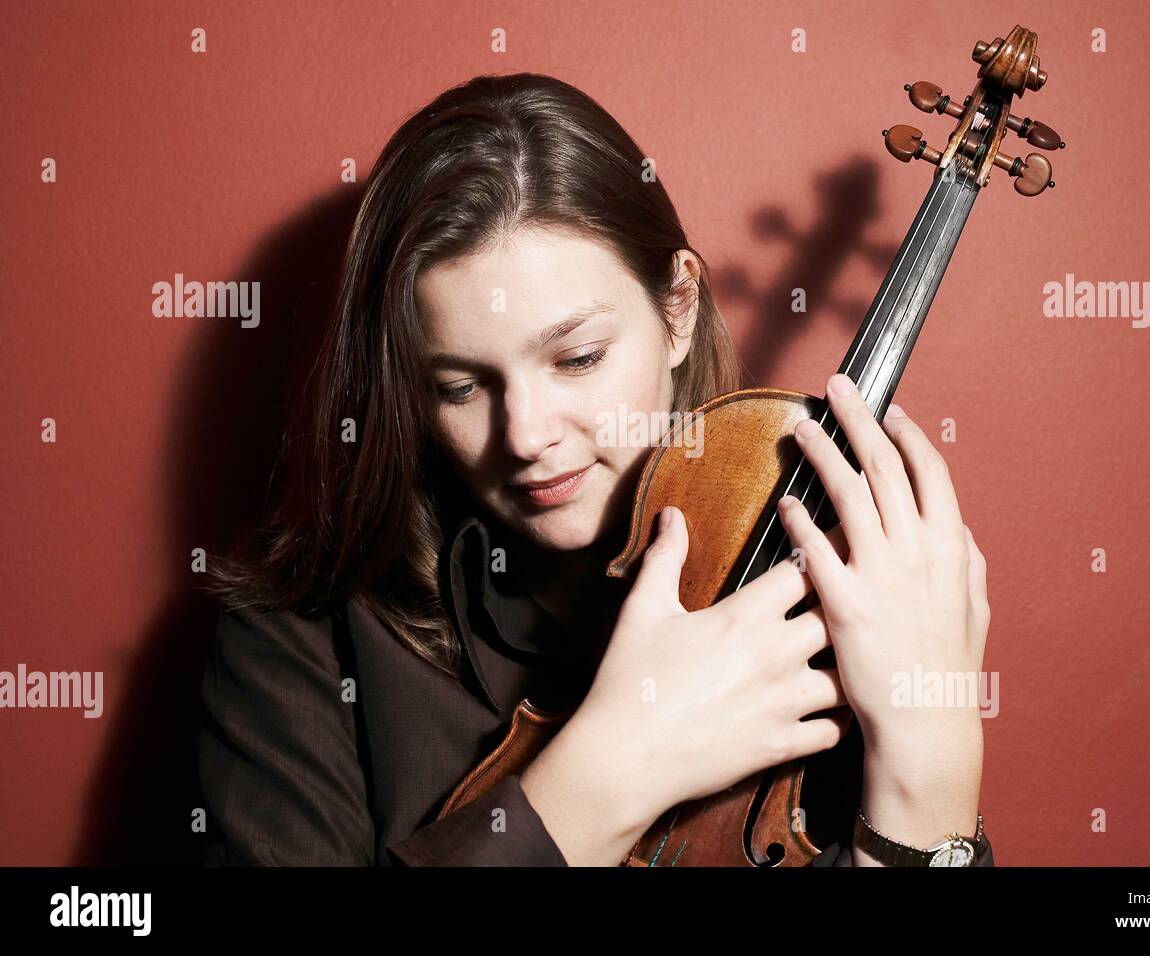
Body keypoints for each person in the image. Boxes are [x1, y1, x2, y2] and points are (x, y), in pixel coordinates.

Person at [196, 72, 994, 867]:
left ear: (678, 310)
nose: (527, 436)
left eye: (576, 358)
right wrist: (607, 775)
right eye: (459, 386)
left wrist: (932, 774)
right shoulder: (303, 646)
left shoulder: (836, 600)